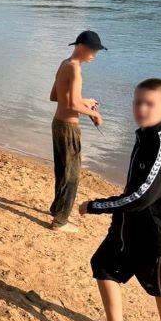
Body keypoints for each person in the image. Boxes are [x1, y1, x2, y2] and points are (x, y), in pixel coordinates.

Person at [79, 79, 161, 321]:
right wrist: (116, 218)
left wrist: (97, 206)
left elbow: (142, 196)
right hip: (131, 223)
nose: (141, 108)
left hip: (160, 230)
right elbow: (134, 190)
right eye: (137, 102)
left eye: (149, 104)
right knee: (102, 265)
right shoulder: (143, 136)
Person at [48, 30, 106, 233]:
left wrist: (85, 101)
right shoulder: (75, 69)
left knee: (62, 171)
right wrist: (94, 114)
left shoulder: (65, 64)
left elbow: (56, 96)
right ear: (80, 47)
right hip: (69, 128)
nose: (95, 55)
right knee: (71, 176)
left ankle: (56, 209)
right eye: (92, 50)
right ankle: (60, 221)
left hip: (58, 123)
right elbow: (71, 103)